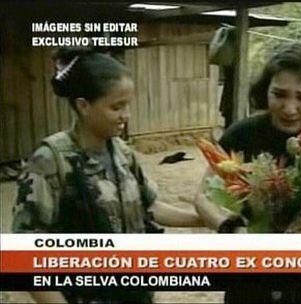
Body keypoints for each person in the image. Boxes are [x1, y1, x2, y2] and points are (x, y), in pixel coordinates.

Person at [12, 47, 202, 304]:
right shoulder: (51, 161)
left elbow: (151, 206)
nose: (126, 115)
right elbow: (25, 256)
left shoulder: (123, 153)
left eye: (127, 105)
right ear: (83, 105)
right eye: (116, 107)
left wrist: (208, 219)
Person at [195, 42, 301, 303]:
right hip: (249, 275)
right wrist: (233, 231)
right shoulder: (242, 135)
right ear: (265, 90)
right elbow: (204, 197)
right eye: (279, 94)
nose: (289, 108)